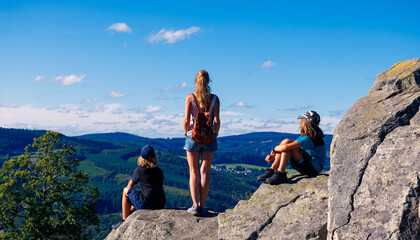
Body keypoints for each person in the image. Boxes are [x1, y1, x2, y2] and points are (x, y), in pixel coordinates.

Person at [183, 70, 220, 216]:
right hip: (209, 137)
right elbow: (216, 120)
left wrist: (185, 131)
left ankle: (195, 205)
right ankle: (203, 205)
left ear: (195, 81)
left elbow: (187, 119)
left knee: (193, 172)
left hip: (193, 136)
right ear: (208, 82)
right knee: (205, 171)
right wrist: (215, 132)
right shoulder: (215, 99)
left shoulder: (190, 98)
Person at [257, 110, 326, 185]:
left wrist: (274, 150)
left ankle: (280, 173)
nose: (300, 123)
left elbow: (285, 148)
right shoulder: (309, 135)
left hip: (312, 169)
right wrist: (273, 154)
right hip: (308, 165)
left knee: (287, 145)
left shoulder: (309, 138)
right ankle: (272, 170)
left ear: (305, 123)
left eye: (301, 121)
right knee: (286, 141)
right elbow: (285, 146)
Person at [112, 145, 166, 229]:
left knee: (126, 191)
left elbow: (129, 186)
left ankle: (124, 220)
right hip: (160, 203)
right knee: (141, 193)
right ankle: (129, 212)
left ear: (142, 158)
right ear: (154, 157)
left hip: (146, 205)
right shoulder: (159, 171)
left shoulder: (139, 170)